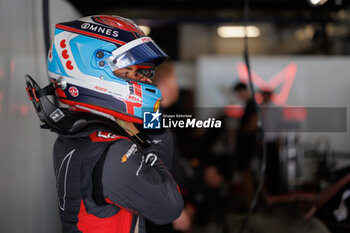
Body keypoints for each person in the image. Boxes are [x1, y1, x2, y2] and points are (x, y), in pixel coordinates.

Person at [41, 15, 183, 233]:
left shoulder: (81, 130)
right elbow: (170, 206)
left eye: (144, 72)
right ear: (93, 73)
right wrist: (139, 138)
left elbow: (156, 168)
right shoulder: (112, 148)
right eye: (131, 72)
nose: (145, 81)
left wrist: (150, 120)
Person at [233, 82, 258, 209]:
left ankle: (250, 205)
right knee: (246, 175)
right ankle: (249, 203)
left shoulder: (252, 104)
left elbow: (253, 125)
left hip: (247, 145)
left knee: (246, 175)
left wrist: (238, 132)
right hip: (246, 145)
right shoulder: (249, 104)